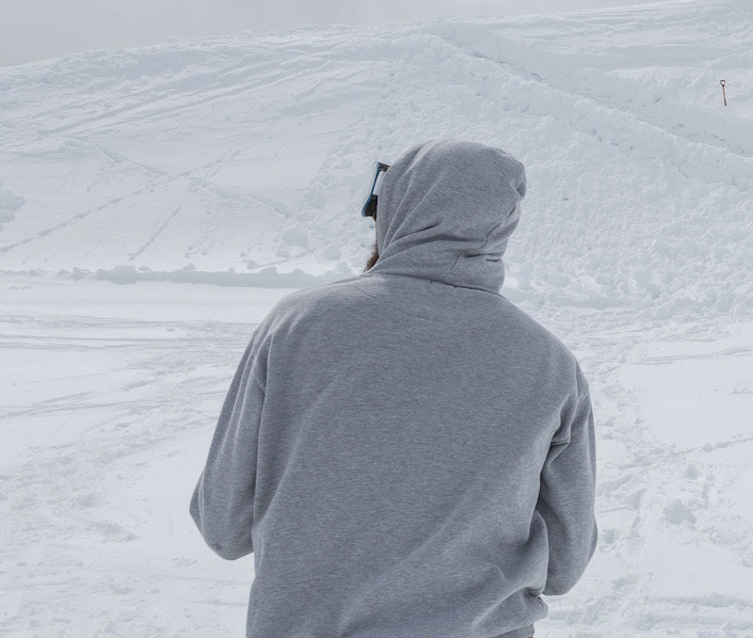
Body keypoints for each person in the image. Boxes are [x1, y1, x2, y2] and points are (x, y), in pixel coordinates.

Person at [190, 139, 597, 638]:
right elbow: (565, 565)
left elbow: (222, 526)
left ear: (395, 209)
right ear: (502, 225)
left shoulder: (298, 326)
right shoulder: (550, 364)